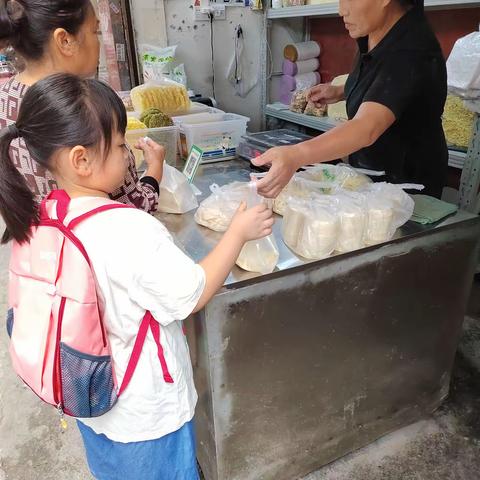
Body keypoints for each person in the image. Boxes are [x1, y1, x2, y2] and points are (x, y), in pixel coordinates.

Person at [0, 73, 275, 479]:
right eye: (118, 146)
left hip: (92, 399)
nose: (126, 154)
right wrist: (237, 232)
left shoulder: (45, 216)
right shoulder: (127, 228)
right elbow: (191, 293)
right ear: (81, 159)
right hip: (144, 415)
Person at [254, 0, 447, 199]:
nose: (341, 10)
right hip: (372, 177)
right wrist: (340, 91)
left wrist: (297, 155)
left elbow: (367, 127)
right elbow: (384, 83)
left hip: (407, 188)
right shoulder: (374, 33)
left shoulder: (412, 51)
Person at [0, 0, 161, 212]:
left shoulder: (4, 96)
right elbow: (133, 208)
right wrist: (155, 167)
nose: (99, 43)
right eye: (95, 31)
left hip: (42, 242)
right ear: (65, 40)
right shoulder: (83, 107)